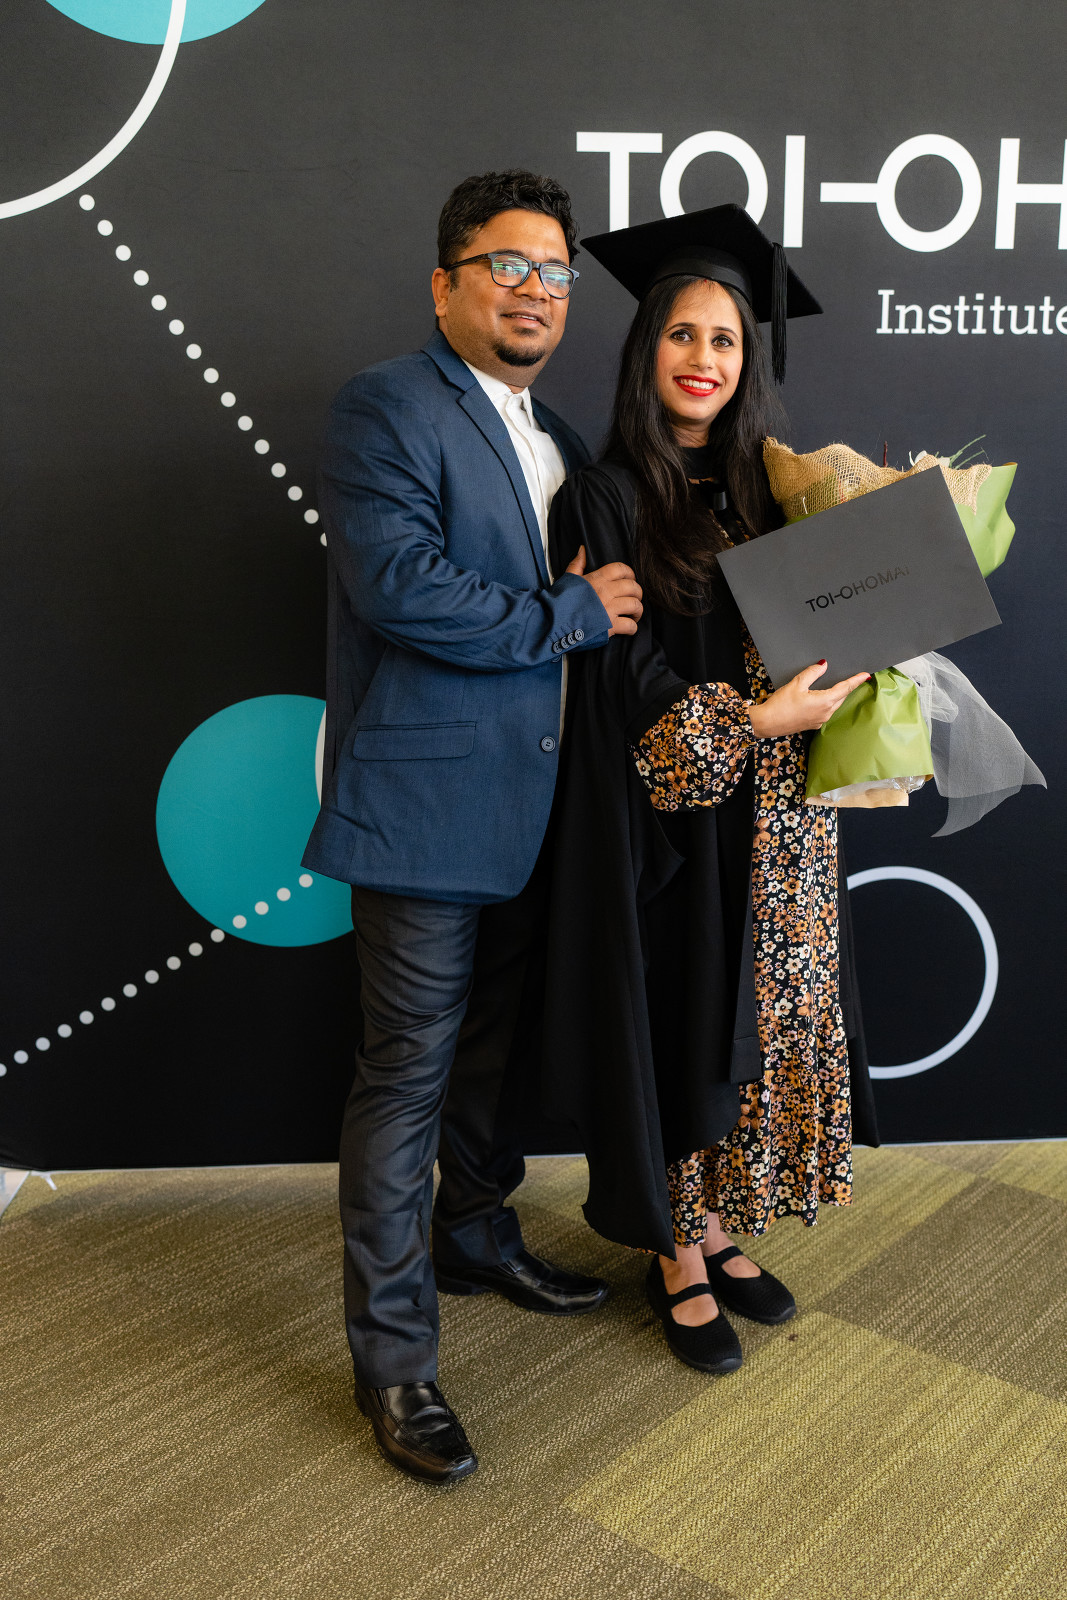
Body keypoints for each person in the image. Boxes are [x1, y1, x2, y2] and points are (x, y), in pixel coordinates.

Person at [301, 171, 645, 1483]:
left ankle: (475, 1232)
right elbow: (400, 588)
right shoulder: (387, 405)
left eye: (554, 272)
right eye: (507, 265)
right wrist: (570, 614)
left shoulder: (557, 432)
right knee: (407, 1075)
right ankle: (394, 1362)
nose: (534, 291)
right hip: (424, 809)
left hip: (541, 809)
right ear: (444, 282)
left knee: (492, 1056)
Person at [543, 204, 880, 1376]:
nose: (702, 358)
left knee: (755, 1028)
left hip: (782, 819)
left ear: (748, 361)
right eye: (681, 334)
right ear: (646, 350)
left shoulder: (777, 489)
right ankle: (675, 1249)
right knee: (684, 1021)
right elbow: (622, 680)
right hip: (678, 818)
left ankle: (722, 1223)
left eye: (725, 339)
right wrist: (751, 720)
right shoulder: (603, 496)